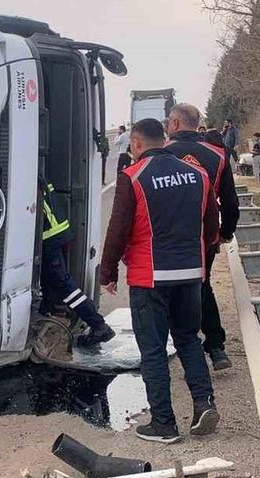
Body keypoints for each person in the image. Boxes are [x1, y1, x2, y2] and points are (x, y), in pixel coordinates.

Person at [100, 118, 220, 444]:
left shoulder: (133, 177)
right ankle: (203, 403)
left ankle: (164, 424)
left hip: (149, 276)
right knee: (188, 339)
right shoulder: (197, 175)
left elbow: (117, 231)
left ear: (137, 143)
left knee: (152, 350)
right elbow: (211, 226)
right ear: (164, 140)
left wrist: (108, 272)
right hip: (190, 273)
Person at [165, 104, 239, 371]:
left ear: (174, 124)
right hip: (203, 236)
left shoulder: (160, 153)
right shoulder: (218, 155)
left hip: (165, 235)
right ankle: (216, 347)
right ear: (197, 125)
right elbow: (230, 203)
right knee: (202, 285)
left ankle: (181, 348)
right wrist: (224, 233)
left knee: (168, 291)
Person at [39, 178, 115, 347]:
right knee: (48, 280)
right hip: (55, 233)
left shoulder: (25, 176)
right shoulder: (35, 173)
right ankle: (44, 315)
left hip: (50, 237)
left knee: (63, 284)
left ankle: (98, 325)